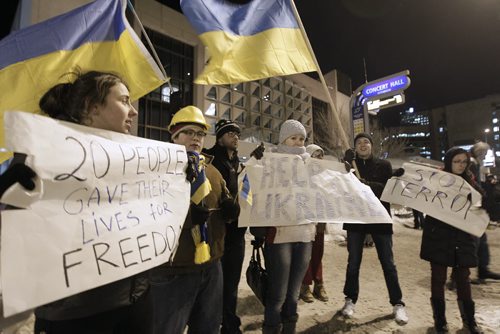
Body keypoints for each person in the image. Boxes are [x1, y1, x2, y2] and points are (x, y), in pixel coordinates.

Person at [31, 71, 146, 333]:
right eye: (124, 101)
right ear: (92, 107)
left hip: (134, 302)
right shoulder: (42, 158)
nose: (134, 111)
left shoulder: (134, 161)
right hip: (75, 316)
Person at [143, 106, 239, 334]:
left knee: (208, 328)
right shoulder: (156, 169)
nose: (196, 138)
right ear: (174, 136)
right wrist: (185, 218)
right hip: (172, 269)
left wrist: (230, 209)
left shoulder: (213, 171)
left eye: (200, 134)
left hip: (211, 266)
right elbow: (146, 216)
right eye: (188, 132)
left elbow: (224, 203)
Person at [251, 119, 315, 334]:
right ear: (283, 140)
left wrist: (344, 169)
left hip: (305, 234)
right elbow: (251, 186)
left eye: (301, 139)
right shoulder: (269, 161)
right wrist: (254, 161)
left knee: (293, 293)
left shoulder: (311, 163)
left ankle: (289, 329)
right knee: (277, 293)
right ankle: (271, 329)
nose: (298, 143)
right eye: (293, 138)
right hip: (279, 236)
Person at [341, 132, 408, 325]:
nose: (363, 145)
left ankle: (398, 304)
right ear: (355, 148)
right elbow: (342, 186)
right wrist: (344, 165)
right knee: (353, 262)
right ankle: (350, 300)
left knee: (388, 263)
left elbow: (386, 190)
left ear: (371, 146)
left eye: (366, 142)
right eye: (359, 143)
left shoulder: (383, 165)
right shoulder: (349, 166)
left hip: (380, 220)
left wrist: (366, 185)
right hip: (356, 219)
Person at [420, 147, 483, 333]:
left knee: (463, 279)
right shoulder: (436, 180)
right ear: (449, 162)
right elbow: (423, 198)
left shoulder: (470, 181)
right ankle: (440, 321)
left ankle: (469, 321)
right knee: (438, 278)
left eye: (464, 162)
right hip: (438, 236)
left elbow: (480, 205)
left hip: (462, 238)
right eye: (457, 161)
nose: (460, 165)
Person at [203, 119, 245, 334]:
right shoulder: (207, 160)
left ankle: (229, 323)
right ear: (220, 138)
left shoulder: (241, 164)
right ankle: (210, 322)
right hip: (215, 233)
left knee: (231, 282)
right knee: (213, 285)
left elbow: (248, 195)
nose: (235, 137)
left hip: (237, 233)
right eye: (230, 133)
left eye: (237, 134)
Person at [299, 144, 328, 303]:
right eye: (314, 155)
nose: (318, 159)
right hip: (304, 221)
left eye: (320, 155)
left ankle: (319, 283)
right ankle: (304, 285)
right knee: (305, 255)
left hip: (319, 221)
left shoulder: (325, 176)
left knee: (318, 253)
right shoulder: (301, 175)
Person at [469, 141, 500, 283]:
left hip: (476, 207)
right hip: (472, 208)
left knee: (481, 240)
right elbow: (472, 185)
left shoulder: (476, 164)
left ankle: (483, 269)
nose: (485, 155)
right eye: (484, 152)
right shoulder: (472, 163)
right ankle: (458, 275)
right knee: (473, 242)